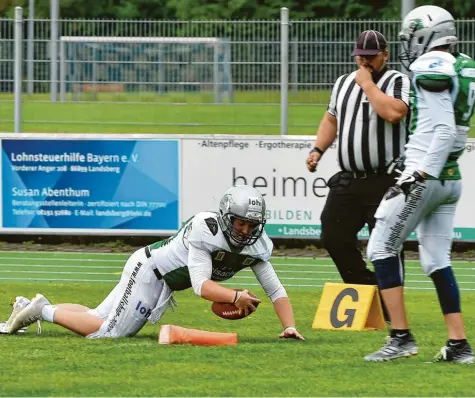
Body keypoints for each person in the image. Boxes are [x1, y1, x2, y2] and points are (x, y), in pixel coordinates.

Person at [5, 185, 305, 341]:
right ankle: (40, 309)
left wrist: (289, 326)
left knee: (97, 316)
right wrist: (235, 296)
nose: (246, 231)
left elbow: (275, 290)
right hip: (152, 272)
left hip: (152, 270)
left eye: (252, 225)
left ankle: (34, 307)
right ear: (227, 217)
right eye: (240, 223)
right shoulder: (206, 229)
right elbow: (201, 287)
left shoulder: (258, 245)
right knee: (106, 333)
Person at [364, 5, 474, 363]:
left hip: (427, 176)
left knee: (380, 248)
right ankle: (458, 345)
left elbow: (441, 129)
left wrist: (419, 172)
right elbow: (453, 130)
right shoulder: (464, 64)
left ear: (427, 34)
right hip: (451, 177)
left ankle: (401, 338)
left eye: (411, 36)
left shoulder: (430, 66)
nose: (408, 45)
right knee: (435, 259)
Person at [306, 30, 410, 316]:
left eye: (371, 57)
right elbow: (331, 119)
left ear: (385, 55)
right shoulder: (342, 83)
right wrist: (318, 149)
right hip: (350, 178)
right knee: (333, 235)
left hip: (385, 180)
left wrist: (367, 85)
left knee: (385, 245)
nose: (364, 62)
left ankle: (393, 312)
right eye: (360, 56)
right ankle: (367, 291)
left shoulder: (397, 81)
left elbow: (394, 113)